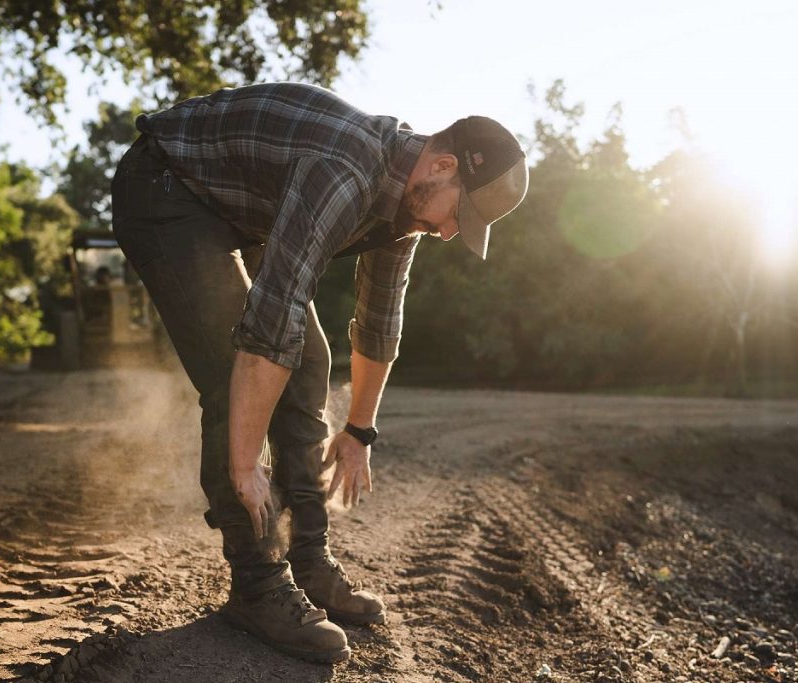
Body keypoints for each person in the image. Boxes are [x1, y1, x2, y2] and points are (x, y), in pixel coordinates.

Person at [110, 82, 528, 663]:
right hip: (168, 188)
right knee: (239, 369)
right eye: (460, 212)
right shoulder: (344, 173)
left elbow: (380, 318)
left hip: (241, 209)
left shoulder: (406, 205)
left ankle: (308, 559)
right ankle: (257, 586)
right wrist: (244, 460)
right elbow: (269, 324)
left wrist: (358, 432)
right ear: (441, 165)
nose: (453, 231)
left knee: (311, 359)